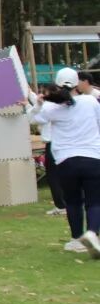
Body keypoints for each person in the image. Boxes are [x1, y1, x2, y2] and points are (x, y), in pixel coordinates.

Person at [27, 68, 100, 258]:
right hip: (92, 157)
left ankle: (76, 239)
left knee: (73, 201)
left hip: (65, 160)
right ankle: (92, 232)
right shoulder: (90, 101)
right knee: (94, 201)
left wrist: (38, 104)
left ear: (57, 85)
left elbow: (32, 119)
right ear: (77, 84)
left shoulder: (51, 107)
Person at [36, 83, 68, 217]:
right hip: (59, 143)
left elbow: (36, 119)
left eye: (45, 93)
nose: (42, 95)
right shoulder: (60, 105)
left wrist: (37, 104)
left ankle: (61, 205)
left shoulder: (50, 107)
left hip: (53, 143)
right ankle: (63, 204)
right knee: (60, 175)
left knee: (54, 176)